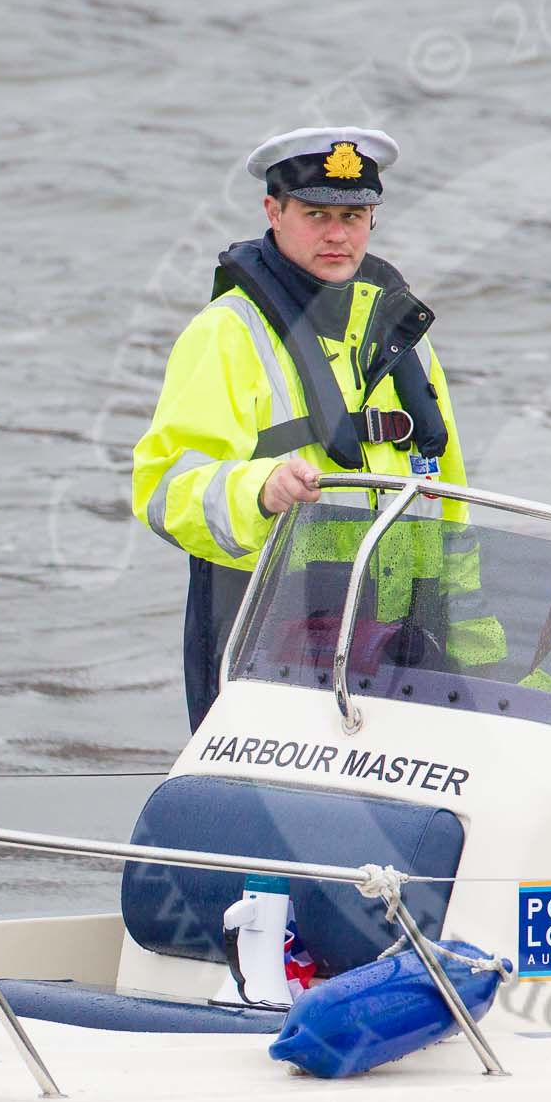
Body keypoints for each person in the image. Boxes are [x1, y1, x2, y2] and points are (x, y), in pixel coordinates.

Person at [132, 127, 474, 727]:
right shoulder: (226, 332)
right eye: (316, 213)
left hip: (402, 647)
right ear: (275, 211)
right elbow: (164, 488)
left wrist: (474, 657)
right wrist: (259, 490)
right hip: (268, 644)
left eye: (354, 214)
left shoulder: (406, 335)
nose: (337, 234)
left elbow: (451, 508)